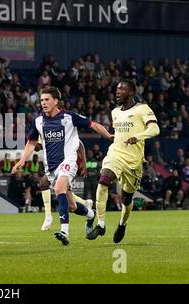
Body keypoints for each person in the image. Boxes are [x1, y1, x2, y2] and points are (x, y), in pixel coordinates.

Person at [12, 86, 112, 245]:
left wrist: (108, 135)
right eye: (42, 100)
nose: (43, 103)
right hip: (51, 167)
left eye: (47, 100)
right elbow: (31, 141)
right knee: (72, 206)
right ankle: (90, 214)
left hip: (68, 162)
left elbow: (93, 125)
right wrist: (23, 159)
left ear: (56, 101)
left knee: (59, 189)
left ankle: (64, 231)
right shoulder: (38, 121)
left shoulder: (69, 117)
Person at [87, 79, 160, 243]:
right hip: (116, 154)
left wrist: (138, 137)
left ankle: (122, 224)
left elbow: (155, 129)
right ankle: (101, 224)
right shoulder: (115, 112)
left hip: (134, 161)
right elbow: (120, 132)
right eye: (116, 90)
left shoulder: (142, 109)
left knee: (127, 199)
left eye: (122, 90)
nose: (117, 92)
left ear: (132, 92)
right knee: (103, 179)